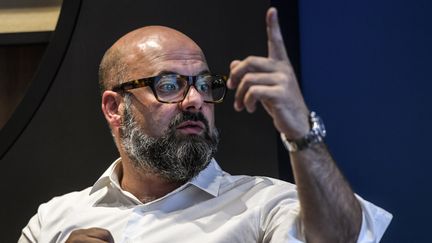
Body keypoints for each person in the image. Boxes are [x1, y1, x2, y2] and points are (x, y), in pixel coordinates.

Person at [19, 7, 391, 243]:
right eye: (169, 85)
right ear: (115, 108)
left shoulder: (264, 204)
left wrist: (300, 130)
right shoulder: (55, 219)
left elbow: (346, 238)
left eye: (203, 84)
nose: (196, 99)